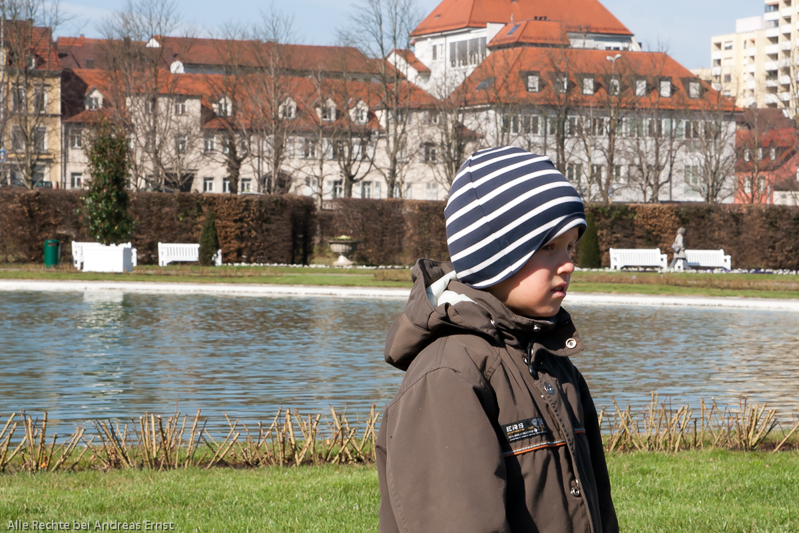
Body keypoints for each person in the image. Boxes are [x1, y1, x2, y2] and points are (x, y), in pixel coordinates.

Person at [376, 146, 618, 533]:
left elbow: (598, 509)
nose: (569, 262)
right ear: (495, 257)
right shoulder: (450, 376)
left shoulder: (555, 365)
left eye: (571, 246)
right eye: (548, 247)